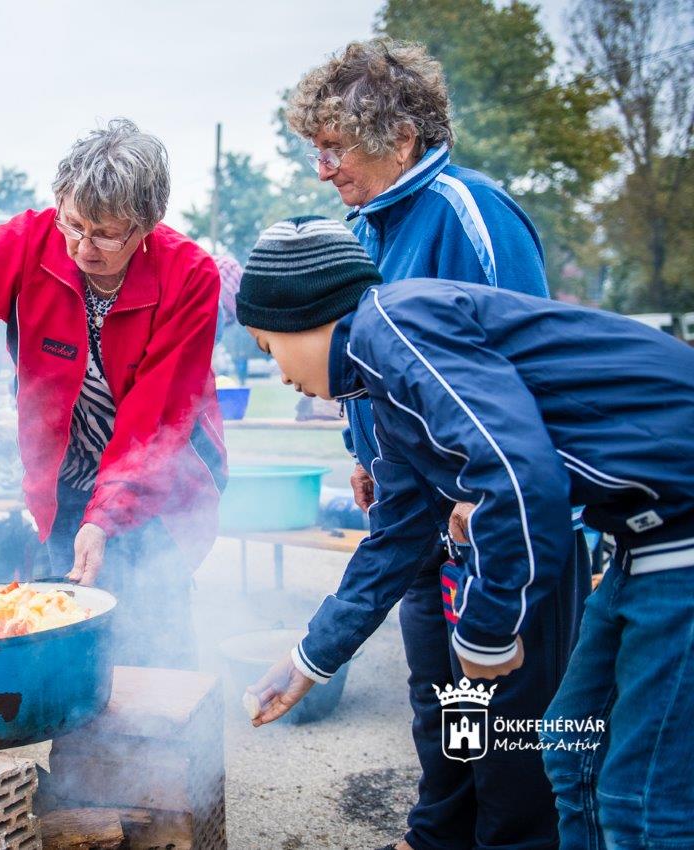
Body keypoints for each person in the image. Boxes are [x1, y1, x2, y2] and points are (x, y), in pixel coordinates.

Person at [236, 216, 694, 850]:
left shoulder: (394, 324)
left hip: (681, 525)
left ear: (306, 315)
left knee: (641, 799)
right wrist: (309, 660)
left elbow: (516, 475)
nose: (277, 371)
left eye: (267, 346)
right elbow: (394, 538)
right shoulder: (386, 393)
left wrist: (485, 627)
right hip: (646, 539)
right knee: (570, 752)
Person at [286, 39, 586, 850]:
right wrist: (364, 450)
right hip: (410, 498)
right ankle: (437, 834)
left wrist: (474, 492)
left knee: (506, 708)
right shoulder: (363, 227)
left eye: (336, 147)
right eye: (317, 148)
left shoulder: (468, 211)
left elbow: (530, 364)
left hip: (489, 512)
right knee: (441, 696)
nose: (323, 169)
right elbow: (367, 364)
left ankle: (513, 841)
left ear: (402, 137)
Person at [0, 118, 227, 669]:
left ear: (147, 226)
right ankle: (67, 748)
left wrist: (104, 517)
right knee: (56, 638)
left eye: (107, 233)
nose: (83, 247)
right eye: (74, 224)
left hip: (160, 482)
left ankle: (179, 749)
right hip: (64, 482)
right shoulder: (29, 241)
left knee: (155, 636)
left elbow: (154, 421)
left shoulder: (190, 275)